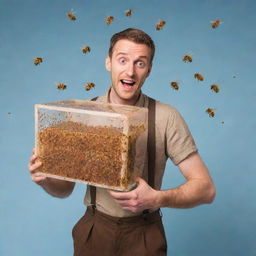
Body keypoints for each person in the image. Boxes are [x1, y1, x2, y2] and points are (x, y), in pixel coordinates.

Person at [29, 28, 215, 256]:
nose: (130, 71)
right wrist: (45, 179)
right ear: (109, 63)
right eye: (122, 60)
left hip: (144, 234)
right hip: (95, 232)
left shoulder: (167, 117)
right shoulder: (82, 114)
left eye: (140, 63)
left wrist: (158, 198)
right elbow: (64, 189)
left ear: (149, 70)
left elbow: (206, 189)